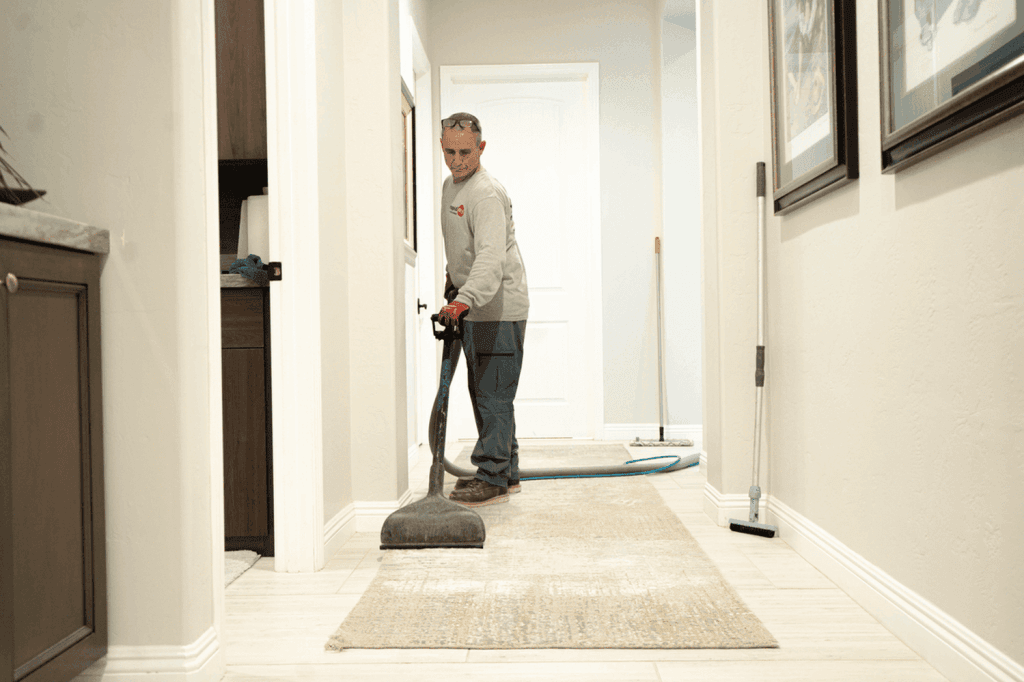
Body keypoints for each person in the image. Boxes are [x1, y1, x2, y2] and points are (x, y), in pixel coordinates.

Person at [436, 112, 529, 507]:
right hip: (477, 305)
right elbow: (465, 248)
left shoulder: (486, 192)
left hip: (499, 307)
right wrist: (453, 278)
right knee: (486, 393)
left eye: (465, 152)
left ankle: (491, 476)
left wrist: (464, 298)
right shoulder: (450, 187)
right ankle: (506, 473)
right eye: (449, 151)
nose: (457, 160)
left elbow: (490, 259)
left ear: (481, 148)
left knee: (492, 394)